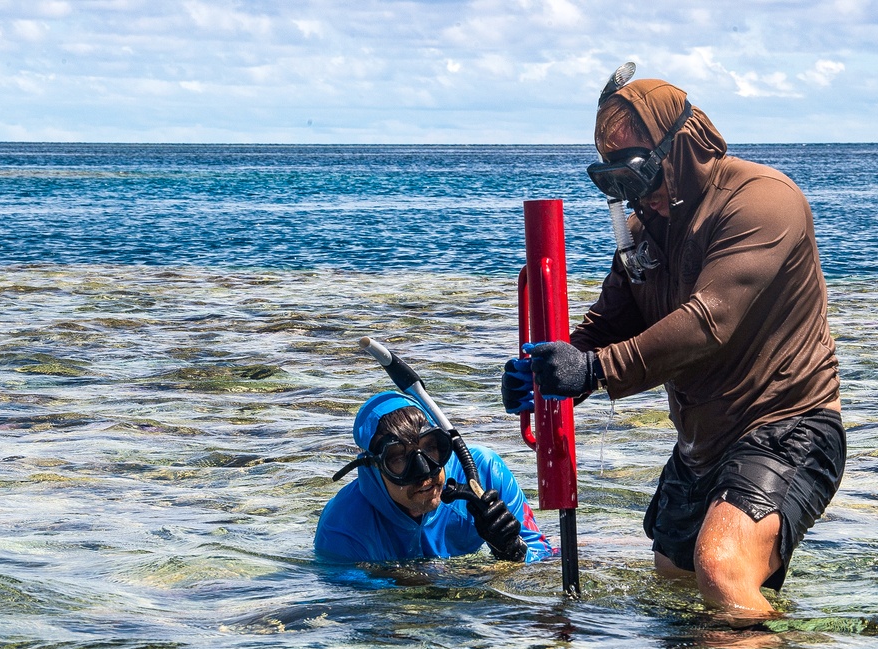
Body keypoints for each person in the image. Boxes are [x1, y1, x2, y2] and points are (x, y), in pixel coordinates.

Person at [502, 65, 844, 620]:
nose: (634, 199)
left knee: (722, 569)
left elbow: (709, 321)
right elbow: (610, 326)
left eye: (639, 177)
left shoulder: (762, 202)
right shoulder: (643, 233)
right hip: (700, 447)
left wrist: (593, 371)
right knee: (677, 589)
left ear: (680, 150)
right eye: (615, 183)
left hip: (790, 425)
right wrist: (549, 367)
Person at [315, 391, 554, 564]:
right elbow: (357, 605)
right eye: (399, 458)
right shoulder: (342, 527)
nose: (424, 473)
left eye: (430, 449)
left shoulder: (485, 471)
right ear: (373, 468)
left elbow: (543, 557)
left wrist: (512, 550)